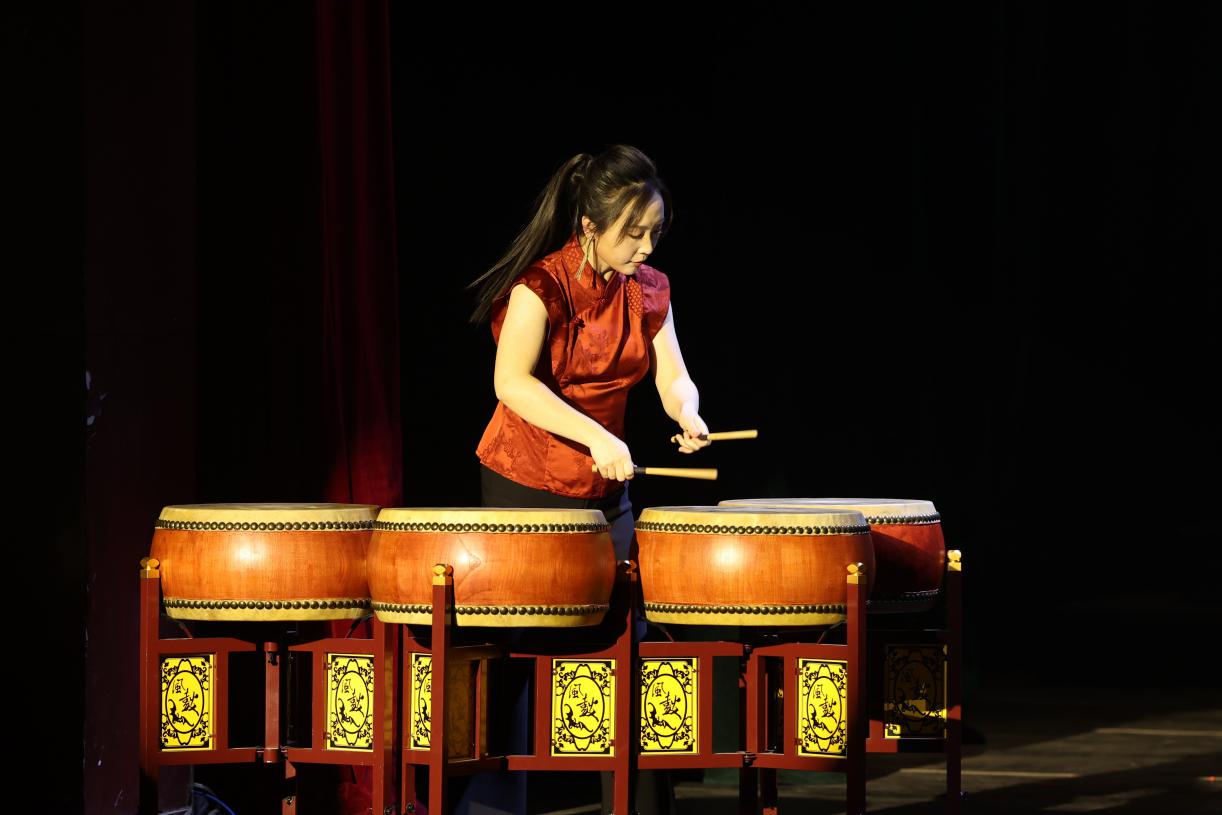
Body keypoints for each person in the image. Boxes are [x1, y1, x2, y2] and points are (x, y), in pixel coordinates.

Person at [461, 145, 710, 815]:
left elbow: (672, 374)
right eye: (633, 232)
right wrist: (597, 435)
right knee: (511, 647)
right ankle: (491, 806)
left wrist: (686, 411)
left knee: (628, 643)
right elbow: (511, 382)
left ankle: (638, 804)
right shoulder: (540, 287)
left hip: (604, 491)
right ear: (591, 225)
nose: (645, 246)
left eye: (654, 231)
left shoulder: (647, 288)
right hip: (525, 485)